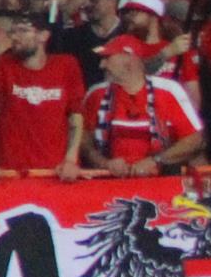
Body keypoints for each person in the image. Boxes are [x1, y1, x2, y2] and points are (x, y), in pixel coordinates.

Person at [0, 16, 86, 180]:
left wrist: (71, 159)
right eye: (13, 32)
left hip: (56, 171)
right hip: (10, 171)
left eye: (23, 31)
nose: (15, 37)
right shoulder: (2, 65)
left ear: (44, 35)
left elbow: (76, 116)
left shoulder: (66, 65)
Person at [84, 37, 204, 177]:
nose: (102, 65)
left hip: (159, 181)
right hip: (108, 182)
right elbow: (82, 139)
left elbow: (194, 139)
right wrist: (104, 162)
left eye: (107, 58)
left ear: (129, 60)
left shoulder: (168, 90)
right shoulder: (96, 94)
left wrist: (156, 160)